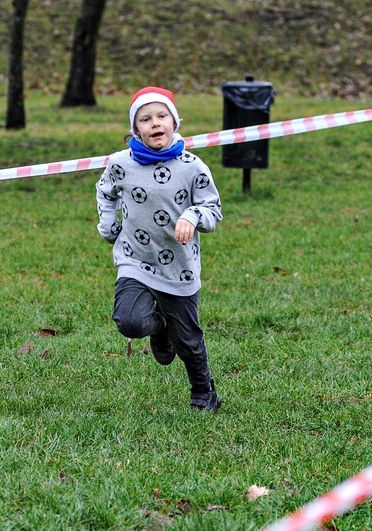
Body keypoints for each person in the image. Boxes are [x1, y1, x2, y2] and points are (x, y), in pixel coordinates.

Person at [95, 86, 223, 413]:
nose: (155, 123)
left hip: (178, 266)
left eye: (162, 116)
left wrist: (192, 216)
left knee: (188, 340)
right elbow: (105, 191)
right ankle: (159, 327)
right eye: (145, 119)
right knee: (129, 321)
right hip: (135, 257)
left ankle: (204, 392)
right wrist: (108, 224)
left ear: (174, 122)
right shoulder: (121, 163)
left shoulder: (192, 167)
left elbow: (213, 209)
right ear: (135, 129)